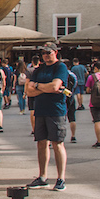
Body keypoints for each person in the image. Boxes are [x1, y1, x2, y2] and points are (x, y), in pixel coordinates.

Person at [27, 42, 70, 191]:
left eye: (48, 52)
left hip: (55, 110)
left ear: (55, 52)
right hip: (40, 109)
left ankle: (61, 178)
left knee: (57, 143)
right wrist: (45, 88)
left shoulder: (60, 67)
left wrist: (38, 86)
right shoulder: (38, 70)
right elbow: (28, 91)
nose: (46, 55)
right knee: (41, 143)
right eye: (44, 53)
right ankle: (43, 176)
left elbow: (55, 86)